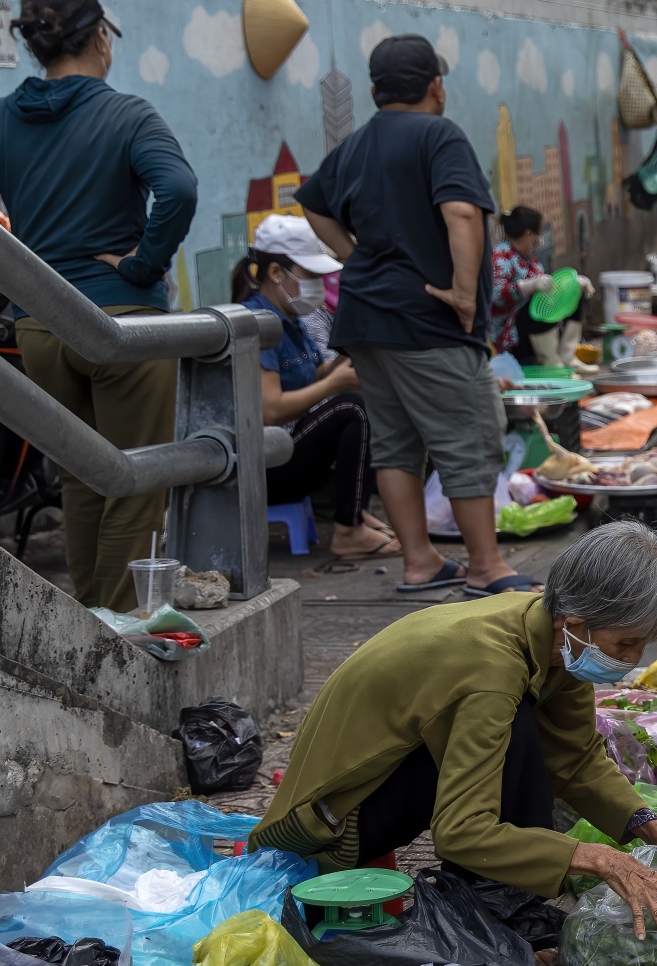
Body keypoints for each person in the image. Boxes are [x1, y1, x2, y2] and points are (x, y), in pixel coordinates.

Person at [253, 521, 657, 943]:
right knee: (519, 726)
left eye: (640, 645)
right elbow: (462, 832)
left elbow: (577, 758)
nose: (631, 661)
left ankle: (506, 899)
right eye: (625, 643)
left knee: (528, 732)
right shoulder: (491, 669)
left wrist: (649, 829)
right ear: (577, 622)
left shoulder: (549, 636)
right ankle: (497, 904)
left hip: (392, 783)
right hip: (333, 829)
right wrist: (596, 858)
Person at [0, 0, 197, 611]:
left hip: (41, 327)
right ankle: (116, 634)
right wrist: (141, 266)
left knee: (80, 482)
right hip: (125, 327)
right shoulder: (127, 114)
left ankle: (91, 623)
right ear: (100, 36)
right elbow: (179, 190)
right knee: (137, 480)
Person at [296, 33, 536, 599]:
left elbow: (313, 204)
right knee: (469, 436)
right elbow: (460, 212)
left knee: (397, 444)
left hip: (368, 322)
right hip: (427, 322)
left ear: (378, 90)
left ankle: (421, 563)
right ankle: (485, 566)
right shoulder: (439, 134)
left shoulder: (355, 145)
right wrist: (462, 293)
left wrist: (356, 260)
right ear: (435, 85)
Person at [230, 215, 396, 560]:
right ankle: (348, 531)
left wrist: (347, 355)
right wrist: (333, 383)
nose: (318, 286)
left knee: (362, 400)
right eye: (310, 277)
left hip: (292, 451)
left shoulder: (290, 320)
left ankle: (354, 516)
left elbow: (315, 375)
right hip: (264, 466)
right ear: (277, 273)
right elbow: (271, 408)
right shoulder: (257, 324)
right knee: (351, 408)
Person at [486, 205, 552, 360]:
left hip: (525, 330)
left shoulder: (530, 261)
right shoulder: (501, 256)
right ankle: (548, 359)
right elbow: (496, 296)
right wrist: (526, 287)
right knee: (536, 307)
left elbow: (544, 285)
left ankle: (560, 357)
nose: (539, 240)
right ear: (529, 234)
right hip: (505, 333)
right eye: (538, 234)